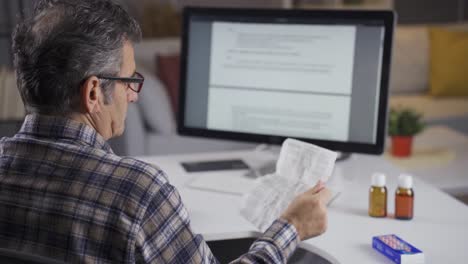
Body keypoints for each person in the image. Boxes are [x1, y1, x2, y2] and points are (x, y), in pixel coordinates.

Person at [0, 0, 331, 263]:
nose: (134, 94)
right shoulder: (137, 192)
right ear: (93, 93)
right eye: (130, 80)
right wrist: (291, 227)